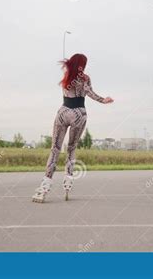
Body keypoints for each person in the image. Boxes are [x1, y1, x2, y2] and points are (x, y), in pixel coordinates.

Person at [32, 53, 114, 203]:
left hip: (63, 112)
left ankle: (44, 187)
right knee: (71, 148)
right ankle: (68, 182)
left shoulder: (67, 75)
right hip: (78, 114)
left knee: (55, 149)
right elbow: (90, 93)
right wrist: (104, 100)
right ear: (83, 64)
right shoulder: (85, 78)